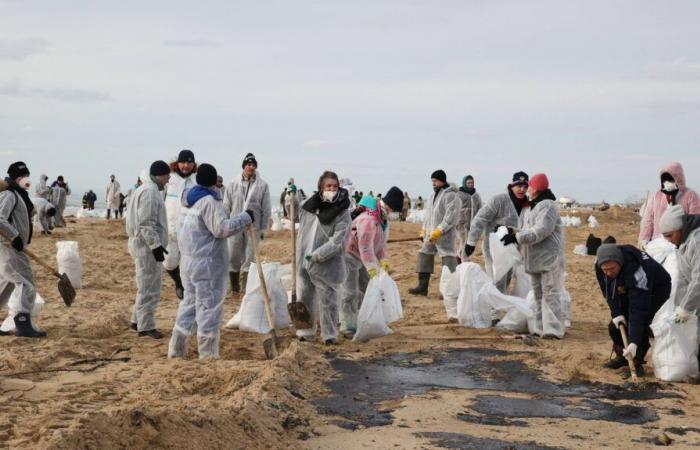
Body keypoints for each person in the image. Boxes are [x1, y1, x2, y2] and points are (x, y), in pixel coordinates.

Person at [168, 164, 253, 359]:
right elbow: (221, 229)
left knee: (188, 305)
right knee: (208, 309)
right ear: (214, 181)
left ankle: (176, 350)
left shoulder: (188, 201)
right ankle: (207, 356)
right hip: (206, 265)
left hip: (188, 263)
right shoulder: (209, 202)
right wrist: (244, 217)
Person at [503, 173, 566, 338]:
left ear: (536, 188)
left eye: (529, 186)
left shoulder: (547, 206)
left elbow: (541, 231)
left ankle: (553, 330)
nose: (527, 189)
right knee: (538, 295)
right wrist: (514, 233)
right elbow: (528, 229)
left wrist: (517, 237)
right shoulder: (534, 206)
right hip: (536, 259)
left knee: (550, 294)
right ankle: (539, 328)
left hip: (548, 259)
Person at [595, 243, 671, 377]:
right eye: (605, 270)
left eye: (612, 268)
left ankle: (636, 361)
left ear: (619, 262)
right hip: (626, 284)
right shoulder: (600, 266)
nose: (608, 272)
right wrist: (616, 312)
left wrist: (634, 342)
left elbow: (638, 310)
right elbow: (607, 291)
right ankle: (623, 357)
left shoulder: (637, 272)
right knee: (615, 326)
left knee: (638, 323)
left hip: (656, 289)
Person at [295, 171, 352, 344]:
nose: (332, 189)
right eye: (328, 186)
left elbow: (338, 240)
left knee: (328, 299)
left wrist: (319, 254)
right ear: (321, 187)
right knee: (305, 295)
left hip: (327, 262)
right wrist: (293, 199)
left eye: (335, 186)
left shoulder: (342, 211)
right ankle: (306, 331)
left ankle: (329, 334)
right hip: (304, 258)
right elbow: (299, 223)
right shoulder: (309, 206)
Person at [340, 187, 403, 337]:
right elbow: (365, 247)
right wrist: (371, 267)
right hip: (350, 254)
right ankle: (347, 325)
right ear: (387, 205)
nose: (393, 213)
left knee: (366, 288)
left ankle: (364, 319)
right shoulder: (369, 220)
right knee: (349, 291)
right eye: (392, 209)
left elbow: (380, 244)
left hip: (362, 257)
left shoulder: (382, 220)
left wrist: (384, 260)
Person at [0, 162, 46, 337]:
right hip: (10, 246)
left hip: (10, 246)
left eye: (26, 175)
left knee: (7, 283)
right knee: (25, 282)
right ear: (14, 178)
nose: (24, 179)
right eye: (21, 176)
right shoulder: (9, 194)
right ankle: (22, 322)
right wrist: (15, 236)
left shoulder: (19, 195)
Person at [464, 172, 530, 293]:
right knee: (496, 280)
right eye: (519, 186)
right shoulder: (499, 200)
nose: (522, 189)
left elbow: (526, 228)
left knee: (506, 282)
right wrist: (471, 241)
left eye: (525, 187)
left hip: (514, 250)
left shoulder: (527, 206)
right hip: (494, 249)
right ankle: (492, 310)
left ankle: (496, 306)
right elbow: (481, 218)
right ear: (512, 185)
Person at [125, 161, 170, 339]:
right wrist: (156, 246)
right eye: (166, 176)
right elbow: (146, 223)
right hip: (146, 248)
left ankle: (137, 320)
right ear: (160, 175)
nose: (167, 180)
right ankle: (146, 326)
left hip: (143, 246)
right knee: (149, 287)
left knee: (145, 285)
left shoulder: (146, 189)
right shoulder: (150, 192)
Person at [223, 153, 271, 294]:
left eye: (254, 165)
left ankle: (246, 287)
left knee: (250, 255)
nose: (251, 167)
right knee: (233, 254)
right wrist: (225, 223)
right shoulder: (233, 183)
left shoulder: (262, 185)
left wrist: (263, 228)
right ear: (244, 166)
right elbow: (227, 204)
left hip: (253, 226)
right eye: (249, 165)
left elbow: (266, 208)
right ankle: (234, 286)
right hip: (235, 224)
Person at [658, 205, 700, 355]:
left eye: (670, 235)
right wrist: (678, 307)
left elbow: (698, 280)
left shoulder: (697, 241)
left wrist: (686, 308)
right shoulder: (682, 244)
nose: (669, 241)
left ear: (680, 228)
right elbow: (684, 278)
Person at [409, 170, 459, 296]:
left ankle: (450, 290)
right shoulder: (432, 196)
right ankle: (423, 286)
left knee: (448, 259)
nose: (433, 183)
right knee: (424, 254)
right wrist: (424, 230)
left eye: (435, 181)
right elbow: (428, 216)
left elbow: (451, 216)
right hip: (431, 235)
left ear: (442, 180)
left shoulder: (451, 196)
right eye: (432, 181)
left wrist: (440, 230)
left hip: (445, 235)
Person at [639, 161, 700, 248]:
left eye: (671, 178)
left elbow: (695, 222)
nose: (667, 182)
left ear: (679, 178)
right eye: (665, 179)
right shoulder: (656, 196)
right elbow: (647, 221)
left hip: (682, 244)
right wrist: (644, 240)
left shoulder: (691, 196)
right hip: (657, 245)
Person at [163, 150, 197, 300]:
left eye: (189, 163)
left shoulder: (196, 181)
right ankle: (178, 282)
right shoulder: (169, 179)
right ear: (178, 163)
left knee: (187, 263)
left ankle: (185, 286)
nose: (186, 166)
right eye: (183, 162)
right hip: (169, 229)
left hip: (190, 230)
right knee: (169, 262)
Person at [456, 175, 483, 259]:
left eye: (472, 183)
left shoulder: (476, 196)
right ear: (464, 183)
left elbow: (480, 209)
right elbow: (454, 208)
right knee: (465, 242)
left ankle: (458, 258)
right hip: (461, 223)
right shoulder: (459, 194)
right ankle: (464, 262)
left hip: (472, 224)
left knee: (469, 242)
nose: (471, 184)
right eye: (468, 183)